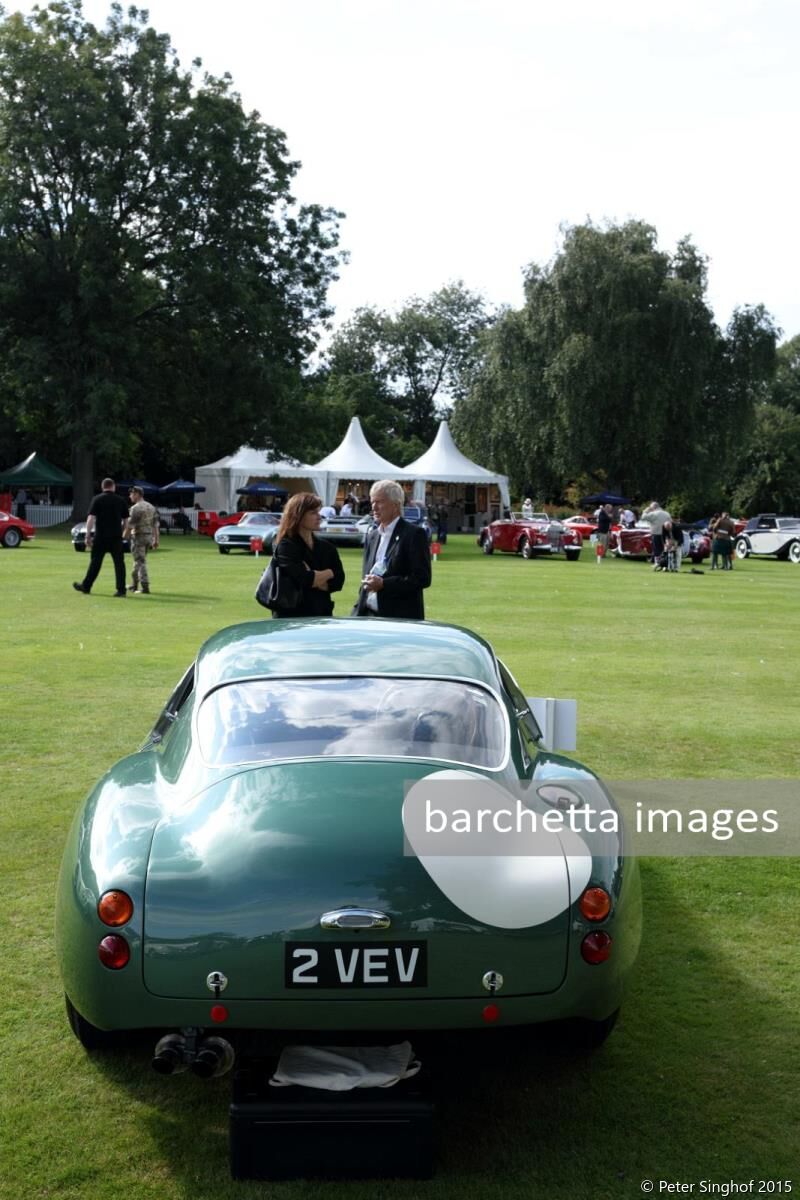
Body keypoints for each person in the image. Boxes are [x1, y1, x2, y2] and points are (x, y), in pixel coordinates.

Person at [353, 479, 432, 620]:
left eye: (380, 502)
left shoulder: (413, 534)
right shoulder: (372, 536)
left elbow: (422, 578)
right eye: (372, 502)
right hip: (367, 617)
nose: (374, 507)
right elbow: (366, 579)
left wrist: (384, 584)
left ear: (396, 505)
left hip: (398, 619)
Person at [270, 492, 345, 617]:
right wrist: (328, 573)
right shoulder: (286, 546)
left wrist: (316, 577)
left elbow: (338, 581)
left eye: (318, 512)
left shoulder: (327, 548)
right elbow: (303, 579)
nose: (319, 517)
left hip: (321, 615)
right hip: (291, 617)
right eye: (313, 513)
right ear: (298, 516)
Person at [73, 478, 128, 596]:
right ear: (113, 487)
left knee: (95, 562)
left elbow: (91, 518)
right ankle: (121, 590)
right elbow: (125, 521)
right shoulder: (120, 500)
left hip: (101, 536)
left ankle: (86, 586)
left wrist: (88, 535)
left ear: (103, 487)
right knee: (119, 564)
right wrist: (122, 532)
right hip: (116, 537)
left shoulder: (97, 499)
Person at [124, 486, 157, 593]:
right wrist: (156, 540)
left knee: (140, 562)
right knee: (138, 561)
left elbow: (130, 525)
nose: (130, 496)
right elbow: (155, 525)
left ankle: (145, 587)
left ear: (137, 494)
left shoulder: (136, 508)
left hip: (138, 537)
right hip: (148, 537)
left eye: (131, 494)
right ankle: (134, 584)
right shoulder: (151, 507)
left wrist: (123, 538)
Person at [640, 501, 672, 568]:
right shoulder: (667, 514)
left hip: (656, 533)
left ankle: (657, 563)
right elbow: (670, 523)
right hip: (666, 535)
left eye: (651, 508)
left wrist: (645, 511)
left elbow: (643, 517)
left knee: (657, 549)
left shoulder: (654, 514)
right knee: (665, 549)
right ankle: (665, 564)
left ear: (654, 507)